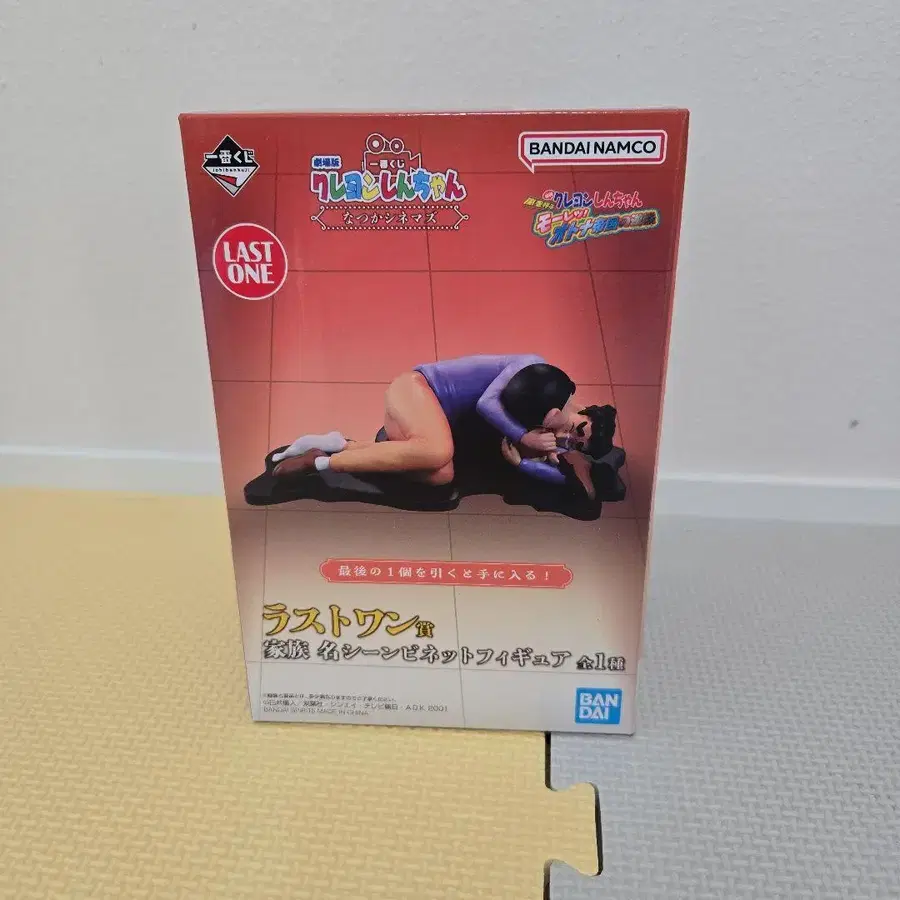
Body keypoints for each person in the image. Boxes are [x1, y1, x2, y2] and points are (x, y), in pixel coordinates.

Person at [270, 354, 616, 498]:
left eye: (576, 443)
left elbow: (562, 476)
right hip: (418, 389)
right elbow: (486, 404)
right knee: (438, 451)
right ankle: (322, 464)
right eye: (579, 428)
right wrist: (523, 435)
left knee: (441, 475)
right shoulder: (534, 369)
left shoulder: (552, 430)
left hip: (434, 420)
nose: (570, 436)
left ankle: (337, 445)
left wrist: (524, 463)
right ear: (584, 410)